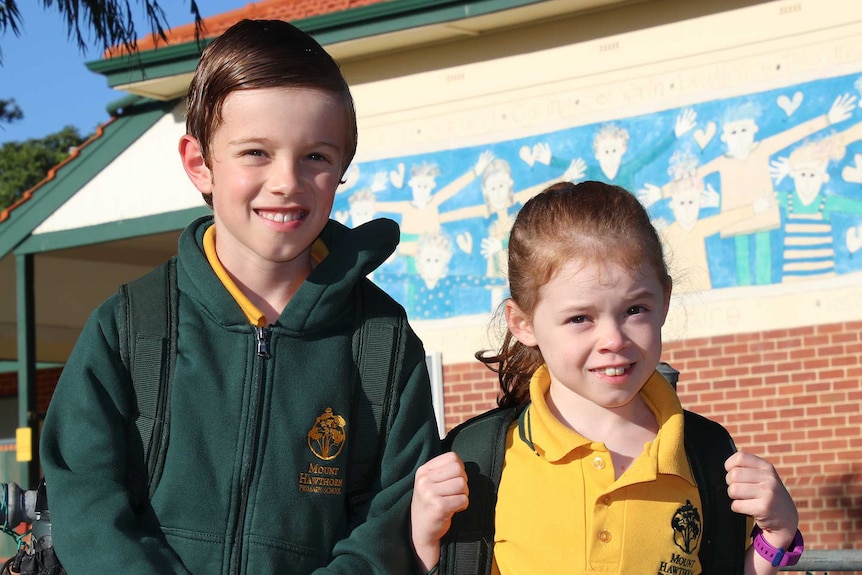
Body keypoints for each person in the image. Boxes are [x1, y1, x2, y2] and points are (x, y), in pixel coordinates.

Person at [39, 19, 440, 575]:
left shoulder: (382, 343)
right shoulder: (131, 326)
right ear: (199, 163)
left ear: (343, 164)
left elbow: (389, 519)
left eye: (316, 157)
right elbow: (85, 500)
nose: (286, 181)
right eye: (256, 152)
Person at [410, 181, 802, 575]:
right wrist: (423, 543)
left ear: (664, 300)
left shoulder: (708, 456)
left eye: (635, 309)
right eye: (580, 318)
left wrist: (778, 536)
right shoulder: (476, 460)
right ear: (523, 323)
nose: (613, 339)